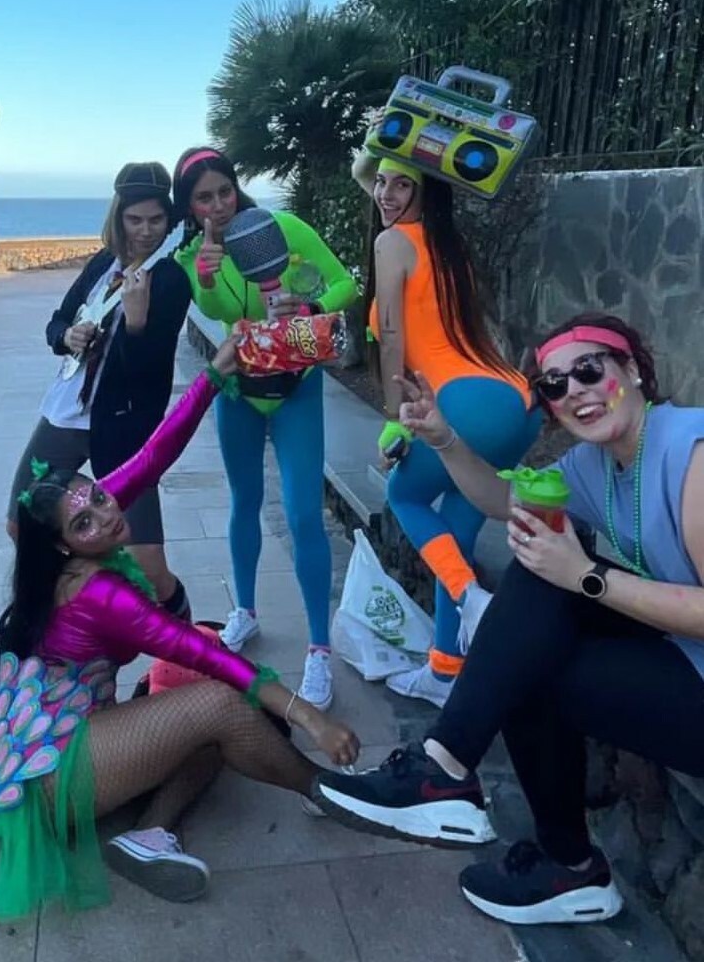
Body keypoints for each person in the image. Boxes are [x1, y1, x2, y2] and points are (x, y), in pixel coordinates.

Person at [310, 313, 704, 926]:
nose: (573, 391)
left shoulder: (691, 451)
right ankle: (456, 775)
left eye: (588, 370)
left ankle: (545, 848)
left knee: (539, 635)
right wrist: (444, 439)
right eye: (553, 385)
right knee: (533, 608)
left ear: (631, 369)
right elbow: (505, 500)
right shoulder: (598, 465)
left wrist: (586, 576)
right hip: (684, 655)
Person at [0, 336, 360, 922]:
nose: (105, 515)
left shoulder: (81, 534)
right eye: (84, 522)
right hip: (49, 777)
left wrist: (213, 375)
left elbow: (153, 456)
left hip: (56, 739)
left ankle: (149, 834)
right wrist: (309, 716)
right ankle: (334, 794)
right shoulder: (98, 592)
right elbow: (197, 651)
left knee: (216, 719)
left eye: (98, 497)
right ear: (64, 545)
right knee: (220, 699)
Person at [350, 148, 541, 707]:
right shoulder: (446, 244)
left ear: (424, 191)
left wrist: (396, 420)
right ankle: (445, 669)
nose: (384, 194)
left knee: (403, 494)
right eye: (381, 183)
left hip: (464, 403)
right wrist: (392, 141)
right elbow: (370, 175)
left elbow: (391, 335)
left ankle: (472, 600)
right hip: (516, 402)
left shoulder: (392, 241)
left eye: (400, 185)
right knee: (453, 536)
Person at [173, 146, 359, 710]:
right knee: (244, 501)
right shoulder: (191, 253)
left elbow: (344, 284)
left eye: (224, 191)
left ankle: (319, 649)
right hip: (240, 389)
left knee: (303, 514)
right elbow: (214, 309)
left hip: (297, 386)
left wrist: (306, 310)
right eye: (203, 198)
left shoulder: (281, 228)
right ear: (188, 205)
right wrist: (206, 274)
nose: (217, 205)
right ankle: (245, 612)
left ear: (236, 188)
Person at [7, 163, 194, 621]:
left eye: (156, 220)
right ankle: (70, 614)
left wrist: (136, 322)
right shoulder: (101, 265)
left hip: (125, 428)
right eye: (135, 219)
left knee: (148, 564)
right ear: (118, 217)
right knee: (22, 522)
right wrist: (67, 335)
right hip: (68, 414)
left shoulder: (170, 279)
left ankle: (185, 640)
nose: (146, 231)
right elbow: (57, 321)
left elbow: (149, 370)